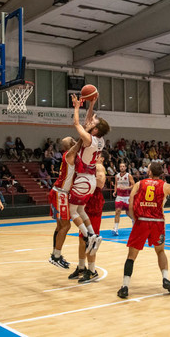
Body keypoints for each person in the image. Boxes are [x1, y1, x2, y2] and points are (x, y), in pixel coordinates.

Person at [117, 162, 170, 299]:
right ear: (161, 173)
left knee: (131, 256)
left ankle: (125, 287)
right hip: (157, 223)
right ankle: (165, 278)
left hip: (142, 222)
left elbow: (131, 200)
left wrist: (135, 218)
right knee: (160, 251)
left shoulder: (139, 184)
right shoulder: (166, 186)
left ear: (150, 172)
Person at [68, 93, 110, 255]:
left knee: (73, 212)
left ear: (96, 129)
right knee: (81, 210)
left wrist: (77, 107)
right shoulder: (100, 141)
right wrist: (91, 104)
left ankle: (88, 236)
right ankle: (93, 234)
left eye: (94, 122)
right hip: (90, 181)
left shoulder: (88, 140)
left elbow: (77, 123)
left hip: (83, 180)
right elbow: (88, 123)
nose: (92, 120)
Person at [70, 150, 107, 283]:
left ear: (101, 158)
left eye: (96, 155)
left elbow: (101, 183)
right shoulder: (91, 167)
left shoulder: (99, 167)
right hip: (86, 201)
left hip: (94, 203)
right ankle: (81, 267)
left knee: (91, 238)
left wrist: (85, 180)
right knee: (82, 238)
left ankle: (92, 271)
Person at [48, 136, 79, 269]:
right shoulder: (70, 154)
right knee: (66, 226)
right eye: (73, 140)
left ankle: (55, 255)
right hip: (60, 193)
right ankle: (56, 256)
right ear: (71, 144)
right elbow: (82, 143)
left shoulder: (69, 154)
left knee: (60, 226)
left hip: (58, 192)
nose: (75, 140)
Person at [112, 162, 135, 236]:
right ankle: (115, 229)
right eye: (121, 166)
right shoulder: (116, 176)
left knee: (128, 213)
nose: (122, 167)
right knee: (117, 211)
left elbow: (133, 185)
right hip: (119, 196)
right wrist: (115, 191)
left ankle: (134, 220)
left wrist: (126, 187)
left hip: (127, 197)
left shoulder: (129, 175)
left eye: (123, 166)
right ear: (119, 168)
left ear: (125, 168)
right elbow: (116, 184)